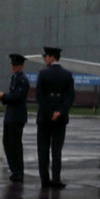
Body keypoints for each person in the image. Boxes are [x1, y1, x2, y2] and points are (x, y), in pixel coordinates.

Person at [36, 46, 74, 188]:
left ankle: (45, 180)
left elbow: (39, 96)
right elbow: (70, 97)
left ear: (51, 57)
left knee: (43, 149)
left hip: (45, 118)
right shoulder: (67, 75)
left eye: (45, 57)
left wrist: (49, 112)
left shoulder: (43, 74)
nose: (44, 59)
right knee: (57, 150)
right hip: (60, 118)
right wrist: (60, 111)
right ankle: (56, 179)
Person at [0, 54, 29, 182]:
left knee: (15, 144)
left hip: (17, 116)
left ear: (21, 66)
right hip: (11, 115)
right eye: (12, 65)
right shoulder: (15, 77)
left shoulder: (22, 79)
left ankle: (18, 171)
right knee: (8, 143)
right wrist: (4, 97)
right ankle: (14, 169)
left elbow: (17, 96)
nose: (13, 67)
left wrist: (4, 96)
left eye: (16, 65)